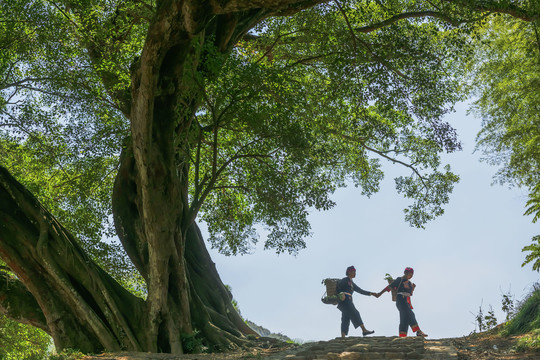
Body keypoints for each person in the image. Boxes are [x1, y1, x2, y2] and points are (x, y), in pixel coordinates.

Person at [376, 267, 428, 338]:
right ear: (405, 273)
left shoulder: (410, 283)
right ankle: (418, 331)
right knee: (411, 314)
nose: (410, 275)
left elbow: (410, 294)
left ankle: (402, 336)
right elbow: (390, 287)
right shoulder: (399, 279)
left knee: (404, 319)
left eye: (411, 274)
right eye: (409, 273)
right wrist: (380, 293)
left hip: (407, 301)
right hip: (400, 299)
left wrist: (413, 288)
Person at [336, 265, 377, 338]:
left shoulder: (351, 283)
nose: (355, 273)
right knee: (355, 313)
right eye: (354, 272)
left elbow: (360, 290)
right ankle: (364, 330)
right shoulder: (345, 280)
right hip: (344, 300)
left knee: (346, 317)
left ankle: (343, 336)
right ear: (349, 272)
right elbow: (338, 288)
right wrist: (341, 294)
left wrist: (371, 293)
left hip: (348, 301)